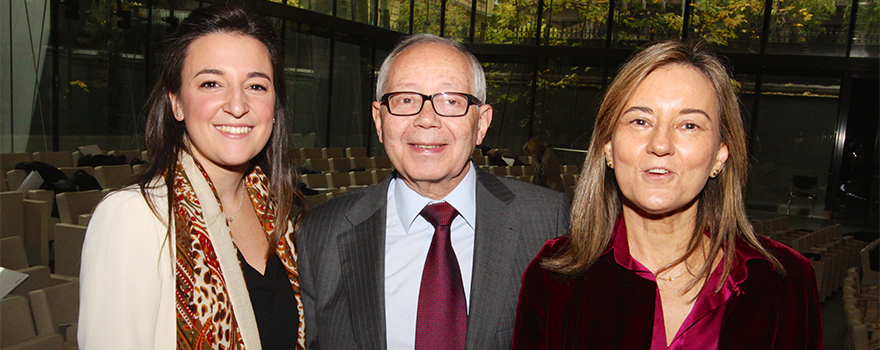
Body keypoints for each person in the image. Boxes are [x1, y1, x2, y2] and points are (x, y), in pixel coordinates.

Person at [513, 40, 823, 349]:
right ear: (608, 146)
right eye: (640, 121)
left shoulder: (783, 281)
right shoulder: (554, 278)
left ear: (720, 154)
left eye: (689, 125)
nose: (660, 144)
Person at [297, 33, 571, 350]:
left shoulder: (547, 222)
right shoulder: (319, 233)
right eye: (406, 100)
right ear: (379, 120)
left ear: (481, 123)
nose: (426, 120)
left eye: (451, 101)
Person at [78, 4, 305, 349]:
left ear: (274, 106)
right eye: (211, 83)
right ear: (177, 103)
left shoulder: (281, 215)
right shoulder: (134, 218)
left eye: (256, 86)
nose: (237, 104)